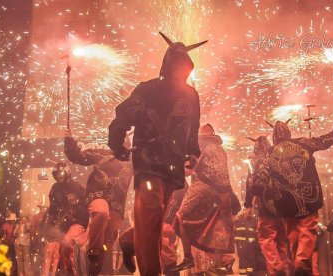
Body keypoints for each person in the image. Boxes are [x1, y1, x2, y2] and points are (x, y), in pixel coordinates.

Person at [108, 31, 205, 276]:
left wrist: (193, 152)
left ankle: (130, 241)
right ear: (168, 62)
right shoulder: (148, 89)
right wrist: (117, 144)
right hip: (148, 162)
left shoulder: (192, 95)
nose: (180, 67)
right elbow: (122, 117)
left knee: (154, 220)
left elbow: (192, 128)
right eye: (177, 62)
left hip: (172, 166)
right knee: (151, 217)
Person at [253, 120, 333, 275]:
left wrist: (255, 191)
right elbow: (325, 140)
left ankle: (302, 266)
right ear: (288, 132)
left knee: (294, 237)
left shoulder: (270, 153)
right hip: (308, 198)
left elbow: (259, 179)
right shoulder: (304, 143)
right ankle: (302, 266)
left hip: (286, 205)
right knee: (307, 231)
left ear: (274, 137)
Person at [172, 124, 241, 272]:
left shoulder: (199, 146)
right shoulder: (221, 150)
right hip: (223, 194)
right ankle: (222, 261)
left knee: (181, 218)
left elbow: (187, 171)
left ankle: (188, 257)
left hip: (204, 188)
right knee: (216, 231)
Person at [64, 130, 133, 275]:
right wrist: (69, 141)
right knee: (101, 213)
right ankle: (93, 249)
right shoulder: (102, 153)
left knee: (107, 245)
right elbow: (78, 157)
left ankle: (93, 270)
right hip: (98, 195)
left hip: (117, 206)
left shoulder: (133, 161)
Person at [245, 136, 290, 276]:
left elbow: (250, 185)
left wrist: (248, 205)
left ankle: (277, 269)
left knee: (266, 239)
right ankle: (284, 270)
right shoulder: (278, 159)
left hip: (266, 208)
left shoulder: (256, 162)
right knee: (280, 242)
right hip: (282, 209)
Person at [48, 160, 88, 275]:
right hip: (62, 224)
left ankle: (72, 273)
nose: (58, 178)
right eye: (56, 176)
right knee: (59, 251)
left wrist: (88, 225)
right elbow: (53, 205)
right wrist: (52, 218)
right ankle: (65, 272)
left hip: (78, 222)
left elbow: (88, 203)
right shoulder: (55, 187)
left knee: (66, 243)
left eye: (60, 175)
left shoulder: (76, 186)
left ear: (67, 172)